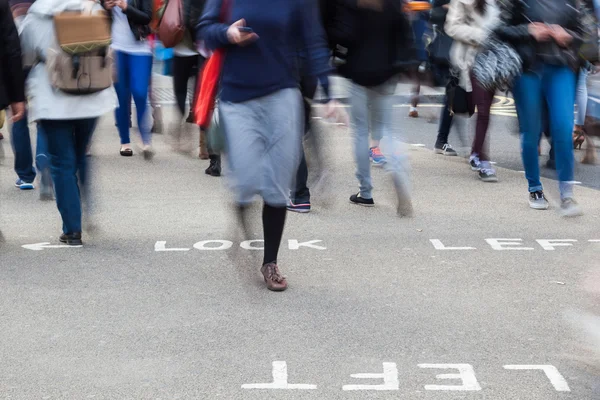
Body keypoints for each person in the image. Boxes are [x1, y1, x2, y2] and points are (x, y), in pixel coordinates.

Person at [198, 0, 332, 291]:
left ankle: (269, 262)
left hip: (282, 96)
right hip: (237, 99)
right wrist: (227, 33)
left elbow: (314, 41)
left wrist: (329, 93)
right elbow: (204, 30)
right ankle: (241, 218)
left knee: (276, 185)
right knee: (245, 181)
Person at [20, 0, 117, 245]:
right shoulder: (93, 9)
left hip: (52, 95)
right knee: (80, 153)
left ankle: (72, 229)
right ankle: (86, 205)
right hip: (92, 93)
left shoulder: (37, 15)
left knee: (62, 163)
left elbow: (26, 54)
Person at [496, 0, 584, 216]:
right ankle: (535, 188)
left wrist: (569, 36)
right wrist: (527, 30)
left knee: (563, 127)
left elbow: (584, 34)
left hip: (561, 67)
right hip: (528, 70)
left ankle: (566, 194)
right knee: (531, 130)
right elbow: (499, 29)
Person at [337, 0, 414, 214]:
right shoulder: (392, 4)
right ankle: (398, 172)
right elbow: (405, 36)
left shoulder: (354, 5)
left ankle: (366, 192)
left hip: (358, 72)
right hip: (386, 73)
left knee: (360, 132)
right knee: (387, 130)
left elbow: (343, 36)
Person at [445, 0, 501, 182]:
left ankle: (479, 156)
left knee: (484, 112)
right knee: (477, 108)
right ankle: (478, 154)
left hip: (497, 60)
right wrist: (481, 35)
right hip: (473, 59)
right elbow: (452, 26)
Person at [8, 0, 53, 199]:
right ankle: (44, 165)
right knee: (43, 113)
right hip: (42, 45)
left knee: (18, 114)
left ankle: (25, 176)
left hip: (14, 48)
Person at [102, 0, 154, 159]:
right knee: (121, 97)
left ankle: (144, 138)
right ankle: (125, 141)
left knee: (140, 93)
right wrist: (105, 6)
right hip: (117, 49)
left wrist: (126, 7)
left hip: (141, 49)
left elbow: (146, 17)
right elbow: (96, 11)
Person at [430, 0, 459, 157]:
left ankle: (444, 141)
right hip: (453, 50)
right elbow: (434, 14)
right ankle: (442, 141)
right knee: (453, 95)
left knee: (459, 97)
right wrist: (454, 8)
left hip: (470, 49)